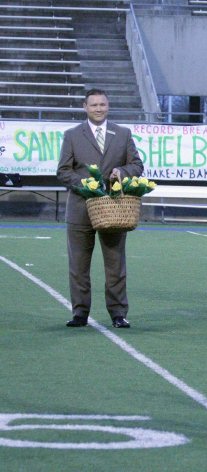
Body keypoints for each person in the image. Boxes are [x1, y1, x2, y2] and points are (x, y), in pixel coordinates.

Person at [57, 88, 144, 329]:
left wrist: (123, 172)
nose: (98, 109)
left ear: (108, 106)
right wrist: (87, 185)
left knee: (116, 265)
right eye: (94, 105)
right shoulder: (72, 135)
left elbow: (137, 165)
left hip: (114, 210)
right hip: (79, 210)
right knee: (78, 266)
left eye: (102, 105)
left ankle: (118, 313)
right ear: (85, 107)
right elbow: (63, 171)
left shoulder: (123, 134)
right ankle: (80, 313)